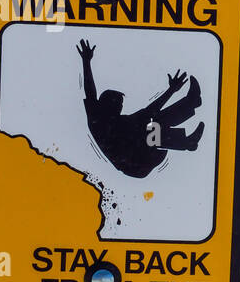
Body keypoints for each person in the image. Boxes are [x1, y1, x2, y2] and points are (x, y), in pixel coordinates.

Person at [77, 39, 204, 178]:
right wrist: (86, 61)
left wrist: (172, 90)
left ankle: (192, 105)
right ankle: (187, 138)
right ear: (107, 104)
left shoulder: (118, 122)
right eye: (118, 104)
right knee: (151, 124)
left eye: (121, 105)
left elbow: (149, 112)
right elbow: (90, 92)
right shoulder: (99, 121)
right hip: (137, 164)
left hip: (140, 155)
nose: (120, 108)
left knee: (152, 122)